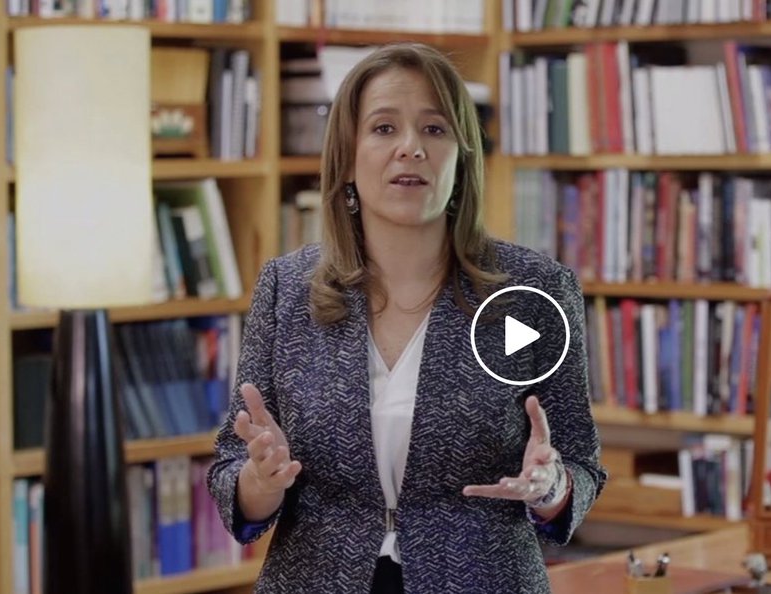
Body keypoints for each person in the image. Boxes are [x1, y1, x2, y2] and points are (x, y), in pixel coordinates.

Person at [206, 42, 607, 594]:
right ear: (347, 157)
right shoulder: (287, 289)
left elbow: (579, 464)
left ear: (461, 159)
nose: (411, 148)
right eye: (384, 128)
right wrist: (261, 479)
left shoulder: (533, 292)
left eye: (435, 129)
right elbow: (233, 472)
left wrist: (550, 485)